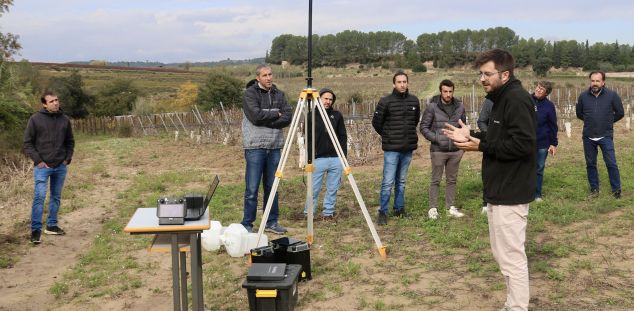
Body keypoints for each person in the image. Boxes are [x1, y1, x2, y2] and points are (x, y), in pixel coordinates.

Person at [442, 49, 536, 310]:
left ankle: (517, 307)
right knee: (501, 253)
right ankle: (512, 304)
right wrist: (473, 134)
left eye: (487, 73)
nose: (482, 78)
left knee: (512, 256)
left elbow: (524, 145)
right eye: (480, 73)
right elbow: (501, 139)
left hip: (512, 191)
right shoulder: (500, 99)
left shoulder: (516, 100)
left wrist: (480, 146)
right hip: (498, 189)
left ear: (505, 75)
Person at [240, 64, 293, 234]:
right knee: (252, 188)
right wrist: (274, 114)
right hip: (255, 146)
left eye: (270, 74)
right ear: (258, 78)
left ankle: (271, 222)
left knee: (273, 187)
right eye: (265, 75)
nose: (269, 78)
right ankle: (247, 224)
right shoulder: (250, 94)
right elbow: (255, 116)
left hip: (274, 146)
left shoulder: (279, 94)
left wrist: (268, 117)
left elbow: (287, 117)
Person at [23, 91, 75, 244]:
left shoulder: (65, 120)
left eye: (57, 100)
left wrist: (67, 158)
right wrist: (38, 161)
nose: (56, 103)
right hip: (42, 166)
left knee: (56, 197)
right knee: (39, 197)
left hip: (60, 165)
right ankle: (36, 230)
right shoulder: (35, 119)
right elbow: (27, 143)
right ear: (44, 104)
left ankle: (51, 226)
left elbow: (70, 141)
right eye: (52, 101)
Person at [372, 71, 421, 225]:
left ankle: (399, 209)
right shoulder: (385, 101)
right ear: (394, 84)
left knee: (401, 181)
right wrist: (388, 136)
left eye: (404, 82)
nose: (402, 84)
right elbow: (376, 122)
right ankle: (383, 212)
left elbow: (415, 120)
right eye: (399, 82)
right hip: (392, 148)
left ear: (408, 83)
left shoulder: (414, 101)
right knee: (388, 181)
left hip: (407, 148)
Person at [420, 79, 466, 220]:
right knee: (436, 180)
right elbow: (423, 127)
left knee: (452, 180)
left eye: (450, 91)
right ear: (441, 91)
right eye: (445, 91)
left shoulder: (460, 107)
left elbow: (463, 126)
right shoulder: (432, 107)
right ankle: (433, 208)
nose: (448, 94)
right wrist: (437, 138)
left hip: (455, 150)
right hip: (438, 150)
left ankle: (450, 207)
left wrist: (461, 143)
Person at [575, 71, 624, 198]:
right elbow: (579, 113)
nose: (594, 83)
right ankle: (594, 190)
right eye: (592, 81)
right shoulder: (583, 96)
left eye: (597, 81)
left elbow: (620, 112)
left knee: (611, 163)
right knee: (591, 164)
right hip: (588, 136)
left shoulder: (612, 95)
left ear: (603, 82)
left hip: (605, 135)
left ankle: (616, 190)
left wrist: (607, 122)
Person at [304, 88, 347, 220]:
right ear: (319, 99)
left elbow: (342, 136)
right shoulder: (311, 116)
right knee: (314, 189)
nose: (328, 101)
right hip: (318, 159)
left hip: (335, 158)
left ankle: (328, 212)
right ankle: (308, 213)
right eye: (325, 99)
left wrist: (343, 157)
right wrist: (310, 157)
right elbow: (308, 139)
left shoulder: (337, 115)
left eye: (330, 99)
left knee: (332, 188)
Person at [532, 81, 558, 201]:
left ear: (546, 93)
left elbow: (553, 125)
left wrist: (553, 143)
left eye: (541, 89)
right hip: (525, 141)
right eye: (538, 87)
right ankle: (523, 193)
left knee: (539, 167)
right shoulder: (526, 100)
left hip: (542, 141)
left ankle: (537, 194)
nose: (538, 90)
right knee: (523, 167)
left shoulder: (549, 106)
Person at [476, 98, 493, 214]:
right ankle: (486, 203)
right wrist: (489, 135)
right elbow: (481, 121)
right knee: (488, 174)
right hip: (490, 144)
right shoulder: (490, 101)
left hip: (508, 144)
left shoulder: (513, 100)